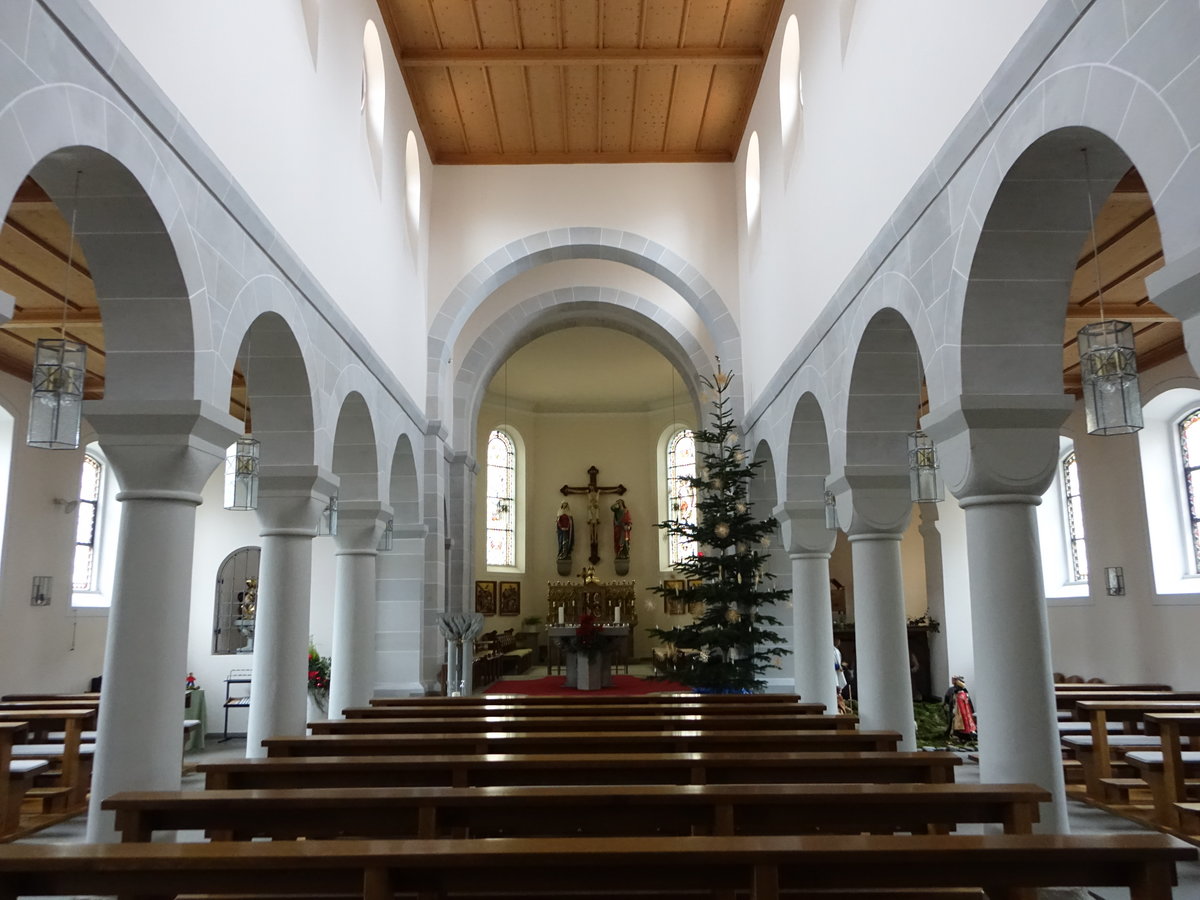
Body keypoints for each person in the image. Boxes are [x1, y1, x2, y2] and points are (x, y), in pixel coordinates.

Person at [943, 675, 977, 741]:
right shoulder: (951, 690)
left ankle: (965, 735)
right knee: (953, 722)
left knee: (964, 723)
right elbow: (948, 699)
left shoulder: (964, 692)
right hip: (955, 711)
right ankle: (954, 734)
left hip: (964, 713)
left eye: (955, 680)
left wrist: (971, 711)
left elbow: (968, 702)